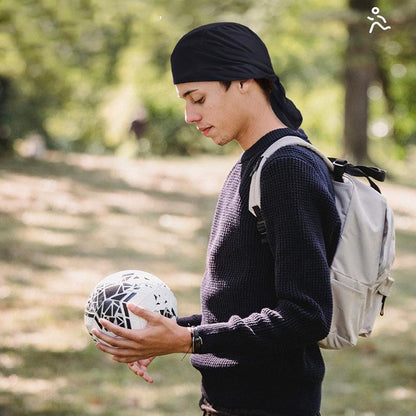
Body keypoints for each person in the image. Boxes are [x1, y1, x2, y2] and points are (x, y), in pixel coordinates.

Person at [92, 22, 341, 416]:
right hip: (229, 401)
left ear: (243, 82)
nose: (190, 116)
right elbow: (243, 304)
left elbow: (306, 316)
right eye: (185, 101)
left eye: (198, 98)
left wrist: (189, 340)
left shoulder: (286, 168)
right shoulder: (255, 163)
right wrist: (164, 336)